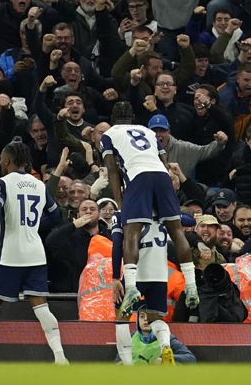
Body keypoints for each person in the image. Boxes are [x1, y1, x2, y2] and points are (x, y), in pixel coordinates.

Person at [0, 140, 66, 364]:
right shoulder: (38, 184)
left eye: (1, 160)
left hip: (10, 255)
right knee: (41, 306)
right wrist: (34, 225)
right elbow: (56, 216)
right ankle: (60, 357)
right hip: (36, 254)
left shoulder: (2, 184)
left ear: (7, 161)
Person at [100, 120, 200, 328]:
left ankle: (132, 288)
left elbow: (112, 170)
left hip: (138, 177)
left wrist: (121, 203)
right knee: (177, 231)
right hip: (162, 177)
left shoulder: (109, 134)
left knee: (131, 232)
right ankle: (191, 285)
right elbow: (164, 161)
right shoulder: (147, 131)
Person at [110, 209, 175, 365]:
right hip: (160, 275)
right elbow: (188, 221)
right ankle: (165, 345)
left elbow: (118, 245)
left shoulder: (121, 214)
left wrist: (114, 277)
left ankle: (127, 364)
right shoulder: (164, 212)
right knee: (155, 319)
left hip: (135, 274)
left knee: (121, 320)